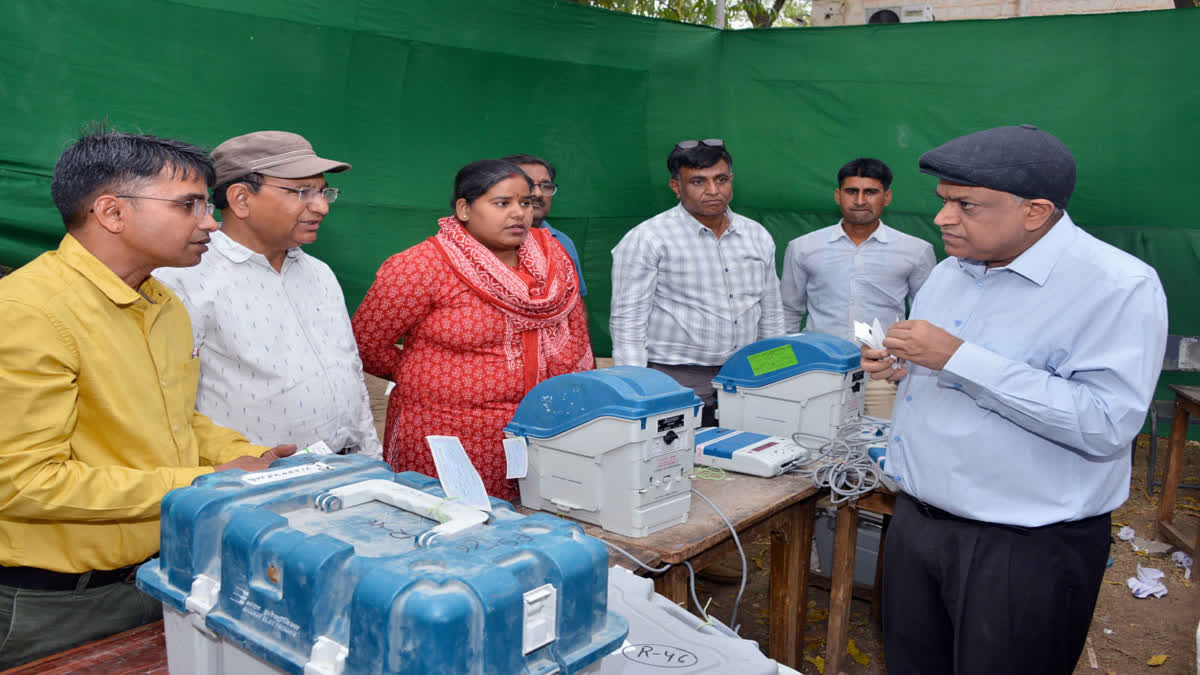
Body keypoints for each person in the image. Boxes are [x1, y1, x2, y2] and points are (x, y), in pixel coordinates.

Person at [860, 124, 1168, 675]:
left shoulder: (1117, 286)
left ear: (1035, 211)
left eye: (966, 205)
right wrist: (905, 367)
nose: (942, 219)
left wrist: (958, 358)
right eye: (943, 201)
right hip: (918, 525)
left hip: (1023, 549)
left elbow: (1104, 423)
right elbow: (950, 375)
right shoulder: (950, 272)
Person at [0, 129, 295, 669]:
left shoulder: (160, 302)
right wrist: (209, 482)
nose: (209, 222)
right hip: (55, 602)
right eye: (189, 205)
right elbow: (21, 481)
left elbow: (174, 419)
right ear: (111, 212)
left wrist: (254, 460)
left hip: (156, 573)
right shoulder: (28, 313)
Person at [352, 159, 592, 500]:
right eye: (502, 203)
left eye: (525, 203)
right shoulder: (421, 266)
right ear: (464, 208)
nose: (519, 213)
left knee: (531, 531)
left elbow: (577, 334)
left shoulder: (553, 257)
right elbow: (365, 342)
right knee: (448, 528)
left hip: (541, 430)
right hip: (447, 435)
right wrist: (429, 377)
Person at [156, 131, 381, 458]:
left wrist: (371, 458)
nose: (321, 207)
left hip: (346, 468)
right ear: (241, 199)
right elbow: (168, 409)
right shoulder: (182, 280)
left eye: (323, 192)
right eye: (303, 191)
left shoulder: (320, 274)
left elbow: (350, 372)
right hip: (254, 484)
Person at [610, 139, 784, 426]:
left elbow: (772, 315)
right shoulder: (648, 238)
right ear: (676, 187)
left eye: (721, 179)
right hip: (675, 380)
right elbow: (628, 320)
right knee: (678, 466)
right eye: (698, 181)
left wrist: (774, 377)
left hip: (746, 378)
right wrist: (637, 391)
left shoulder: (757, 235)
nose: (713, 191)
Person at [781, 158, 935, 418]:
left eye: (871, 192)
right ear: (838, 195)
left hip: (883, 373)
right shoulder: (803, 247)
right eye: (852, 191)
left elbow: (927, 316)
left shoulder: (916, 251)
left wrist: (908, 365)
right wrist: (787, 368)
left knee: (880, 448)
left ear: (886, 197)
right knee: (817, 449)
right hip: (819, 369)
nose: (860, 200)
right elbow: (788, 311)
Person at [501, 154, 587, 296]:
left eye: (545, 186)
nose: (538, 193)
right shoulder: (477, 241)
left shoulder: (562, 242)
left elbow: (577, 306)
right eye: (528, 185)